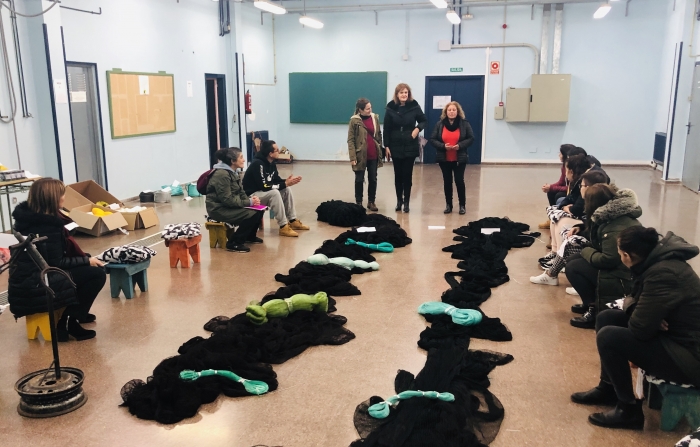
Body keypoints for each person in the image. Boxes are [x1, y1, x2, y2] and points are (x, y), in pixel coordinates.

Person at [571, 226, 700, 430]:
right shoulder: (655, 263)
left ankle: (628, 410)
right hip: (677, 339)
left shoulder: (663, 273)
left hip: (689, 357)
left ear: (627, 256)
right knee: (606, 317)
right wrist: (642, 312)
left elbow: (640, 328)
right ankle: (609, 388)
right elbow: (634, 300)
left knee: (609, 337)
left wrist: (644, 315)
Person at [8, 178, 106, 342]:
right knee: (97, 274)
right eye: (62, 194)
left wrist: (85, 259)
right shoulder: (47, 226)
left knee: (89, 265)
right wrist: (86, 261)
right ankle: (68, 322)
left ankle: (78, 312)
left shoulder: (28, 218)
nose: (64, 198)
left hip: (26, 280)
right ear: (52, 198)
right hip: (38, 283)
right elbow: (56, 264)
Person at [565, 184, 642, 329]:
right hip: (622, 268)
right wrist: (582, 230)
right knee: (572, 260)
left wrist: (586, 250)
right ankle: (589, 303)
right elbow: (600, 242)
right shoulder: (611, 217)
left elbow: (608, 260)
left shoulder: (614, 226)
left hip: (624, 277)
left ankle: (594, 310)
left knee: (573, 267)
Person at [530, 170, 609, 286]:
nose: (580, 188)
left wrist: (580, 233)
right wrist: (580, 227)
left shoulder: (598, 207)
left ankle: (554, 274)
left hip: (600, 253)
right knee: (567, 234)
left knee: (570, 244)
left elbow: (595, 234)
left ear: (588, 188)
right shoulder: (597, 202)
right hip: (598, 246)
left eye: (582, 186)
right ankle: (552, 268)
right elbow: (592, 226)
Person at [242, 140, 309, 237]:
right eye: (277, 150)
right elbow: (264, 186)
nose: (279, 151)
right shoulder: (258, 164)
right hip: (252, 195)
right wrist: (285, 183)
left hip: (262, 192)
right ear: (270, 154)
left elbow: (276, 180)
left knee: (286, 190)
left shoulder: (271, 163)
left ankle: (293, 220)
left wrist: (287, 182)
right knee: (274, 193)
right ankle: (283, 226)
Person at [206, 148, 265, 253]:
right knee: (252, 214)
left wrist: (251, 200)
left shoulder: (233, 172)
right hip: (218, 209)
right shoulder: (222, 175)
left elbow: (241, 192)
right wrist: (249, 202)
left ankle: (249, 236)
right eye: (241, 157)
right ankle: (234, 243)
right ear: (232, 161)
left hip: (228, 206)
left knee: (259, 210)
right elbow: (227, 200)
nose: (244, 160)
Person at [383, 83, 427, 213]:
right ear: (397, 94)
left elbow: (424, 120)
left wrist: (417, 129)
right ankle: (399, 201)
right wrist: (386, 146)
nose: (404, 95)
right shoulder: (391, 108)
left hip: (410, 142)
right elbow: (387, 129)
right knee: (398, 175)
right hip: (395, 143)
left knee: (407, 174)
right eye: (401, 92)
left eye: (406, 92)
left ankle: (407, 202)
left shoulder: (414, 106)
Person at [429, 101, 474, 215]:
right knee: (447, 181)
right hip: (444, 159)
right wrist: (443, 146)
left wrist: (460, 145)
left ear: (458, 111)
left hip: (459, 158)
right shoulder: (440, 124)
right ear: (446, 112)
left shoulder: (464, 124)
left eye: (454, 110)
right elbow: (433, 139)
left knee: (459, 181)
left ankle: (462, 206)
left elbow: (471, 138)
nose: (452, 112)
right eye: (449, 110)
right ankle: (448, 205)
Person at [544, 155, 591, 254]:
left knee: (560, 221)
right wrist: (564, 206)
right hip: (580, 217)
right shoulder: (577, 182)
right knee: (555, 214)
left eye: (566, 171)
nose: (565, 174)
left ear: (571, 172)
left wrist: (565, 208)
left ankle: (559, 254)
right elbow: (569, 198)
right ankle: (554, 251)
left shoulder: (585, 184)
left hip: (584, 220)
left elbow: (576, 209)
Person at [347, 98, 384, 211]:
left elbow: (378, 134)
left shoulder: (374, 118)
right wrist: (352, 157)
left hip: (373, 154)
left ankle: (371, 202)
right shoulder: (354, 121)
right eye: (367, 108)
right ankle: (359, 203)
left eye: (370, 107)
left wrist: (380, 149)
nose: (370, 110)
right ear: (360, 110)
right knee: (359, 180)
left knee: (373, 179)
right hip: (360, 156)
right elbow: (351, 140)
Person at [538, 144, 576, 229]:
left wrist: (551, 187)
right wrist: (549, 187)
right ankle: (552, 218)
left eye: (560, 153)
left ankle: (559, 219)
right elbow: (561, 182)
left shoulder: (573, 168)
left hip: (572, 193)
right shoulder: (564, 166)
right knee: (551, 192)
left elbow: (571, 188)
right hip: (568, 191)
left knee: (559, 195)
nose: (559, 155)